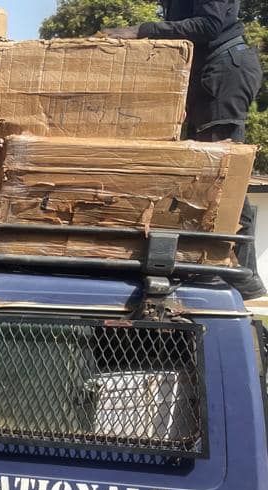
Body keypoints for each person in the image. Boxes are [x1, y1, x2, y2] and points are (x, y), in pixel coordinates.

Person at [105, 1, 266, 299]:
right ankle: (224, 268)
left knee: (224, 173)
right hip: (208, 74)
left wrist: (143, 31)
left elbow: (209, 26)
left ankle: (241, 274)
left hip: (223, 74)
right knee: (209, 172)